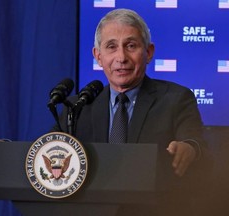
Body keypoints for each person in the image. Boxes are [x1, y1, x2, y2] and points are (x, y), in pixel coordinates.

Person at [53, 8, 210, 216]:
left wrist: (190, 148)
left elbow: (196, 144)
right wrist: (7, 152)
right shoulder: (78, 107)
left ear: (149, 52)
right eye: (111, 47)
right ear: (98, 56)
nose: (121, 57)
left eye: (131, 46)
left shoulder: (177, 99)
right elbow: (47, 151)